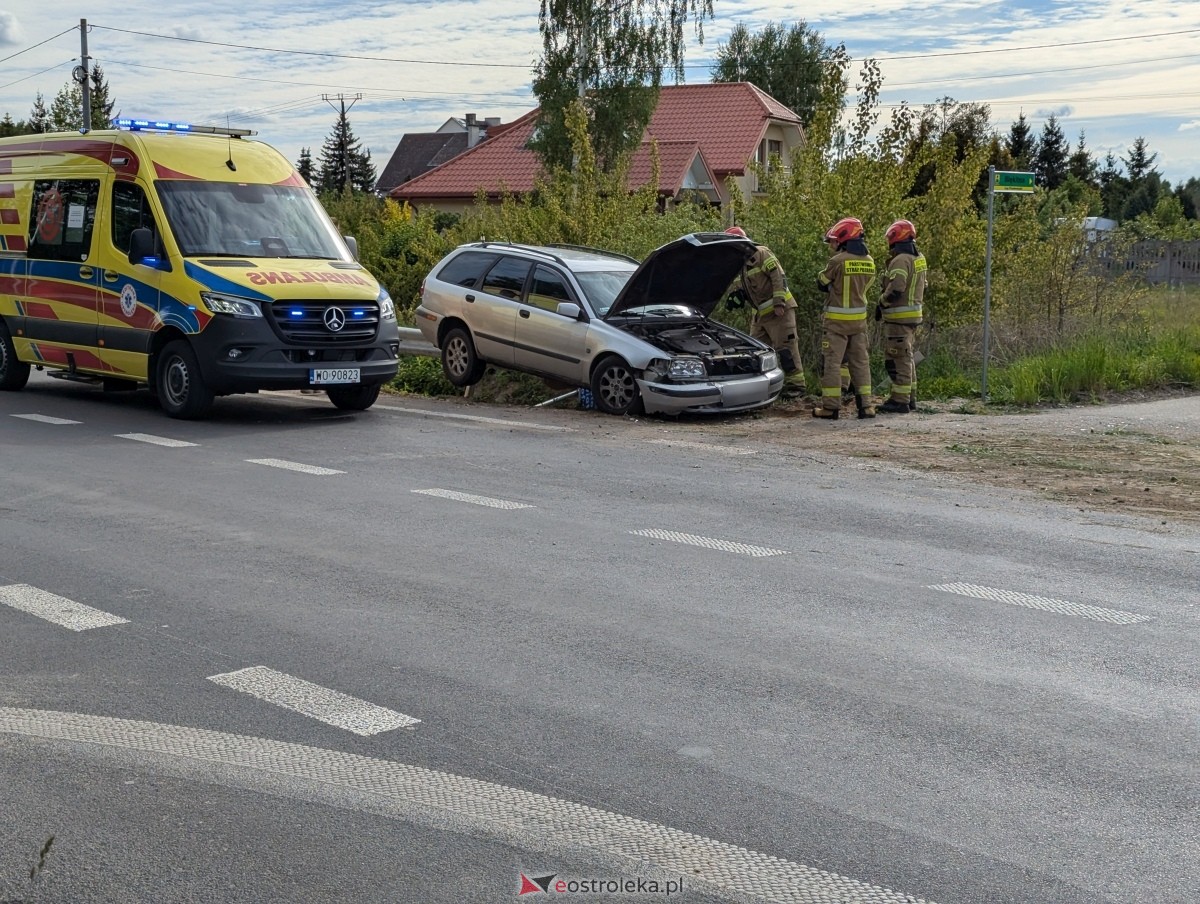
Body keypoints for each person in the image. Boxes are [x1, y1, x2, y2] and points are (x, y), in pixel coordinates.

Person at [724, 226, 807, 400]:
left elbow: (778, 276)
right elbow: (747, 288)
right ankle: (760, 387)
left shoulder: (761, 253)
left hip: (780, 312)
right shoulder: (741, 265)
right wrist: (738, 298)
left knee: (786, 349)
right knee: (755, 349)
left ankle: (796, 388)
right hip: (761, 315)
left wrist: (779, 302)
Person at [813, 217, 875, 420]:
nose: (831, 245)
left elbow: (821, 282)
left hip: (836, 323)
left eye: (832, 241)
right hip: (859, 322)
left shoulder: (837, 261)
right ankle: (866, 407)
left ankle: (830, 408)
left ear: (842, 240)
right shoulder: (869, 262)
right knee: (860, 362)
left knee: (832, 363)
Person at [877, 219, 927, 414]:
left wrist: (881, 302)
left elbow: (896, 288)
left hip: (899, 318)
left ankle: (900, 400)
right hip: (913, 315)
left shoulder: (901, 260)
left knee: (898, 358)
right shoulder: (919, 257)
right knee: (907, 357)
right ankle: (910, 397)